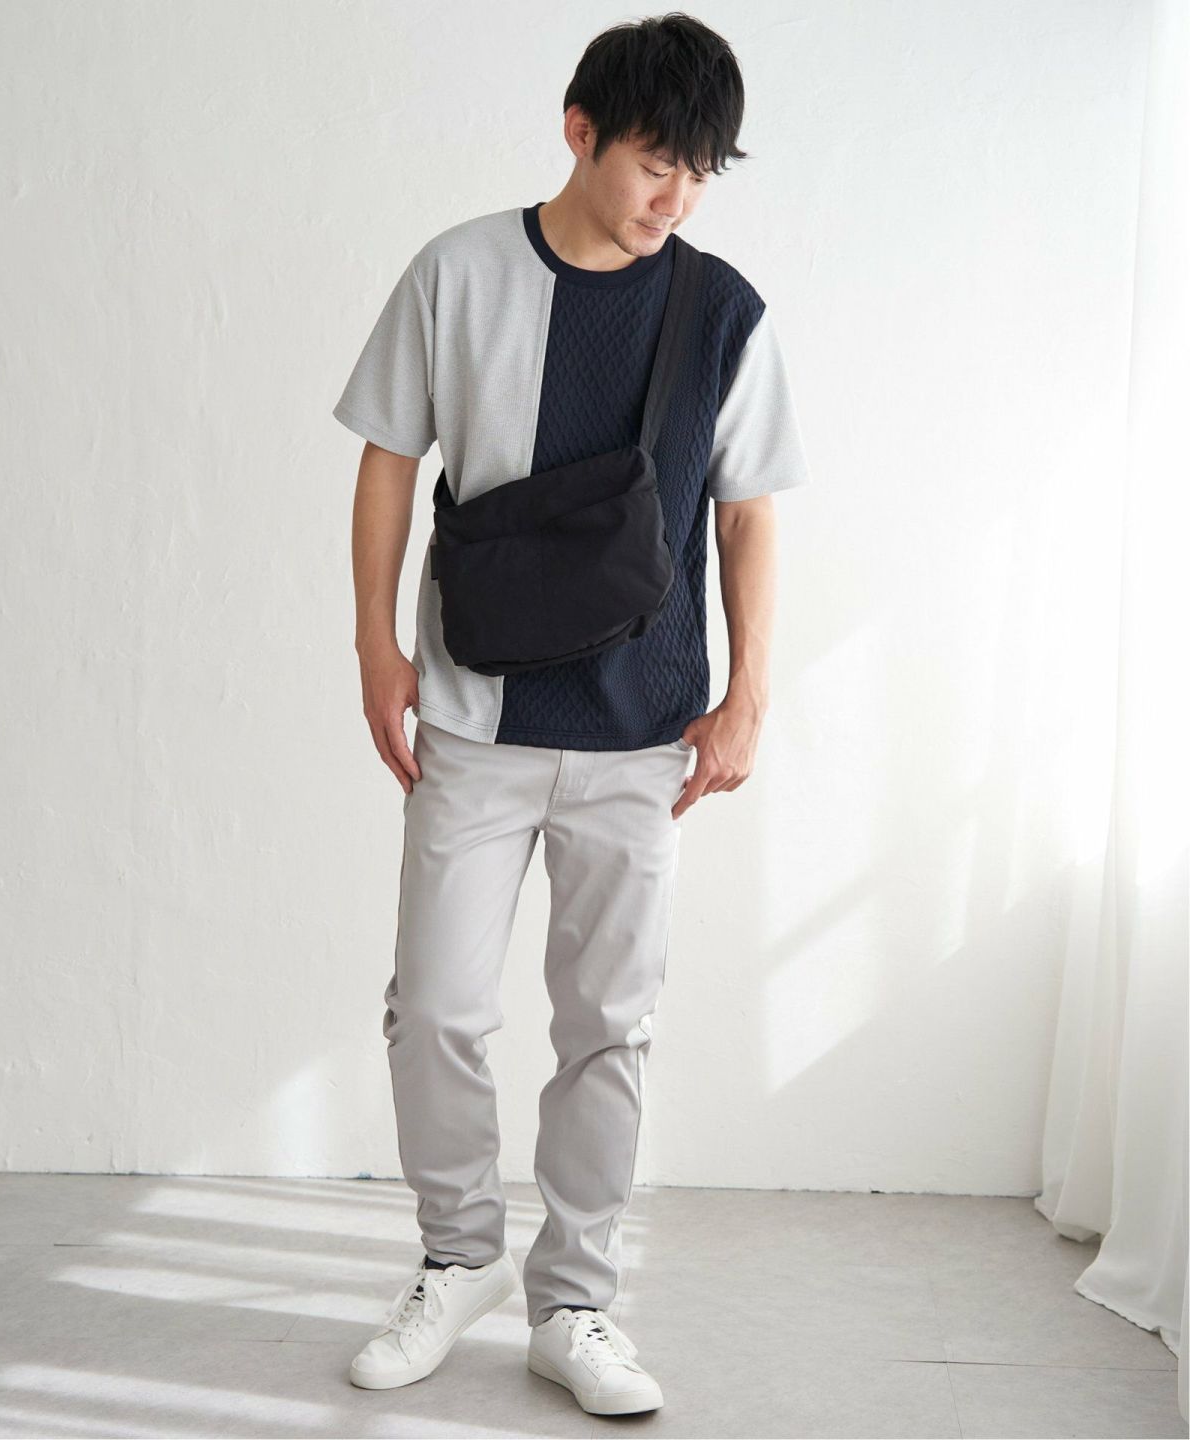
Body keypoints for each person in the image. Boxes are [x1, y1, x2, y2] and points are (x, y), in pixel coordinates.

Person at [331, 11, 811, 1417]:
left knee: (610, 1026)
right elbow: (386, 460)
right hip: (473, 712)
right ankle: (456, 1259)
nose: (678, 198)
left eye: (702, 172)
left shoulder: (723, 311)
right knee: (435, 1008)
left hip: (643, 730)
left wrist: (748, 695)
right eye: (657, 163)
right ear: (578, 130)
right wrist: (372, 643)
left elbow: (749, 513)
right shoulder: (458, 271)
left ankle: (576, 1302)